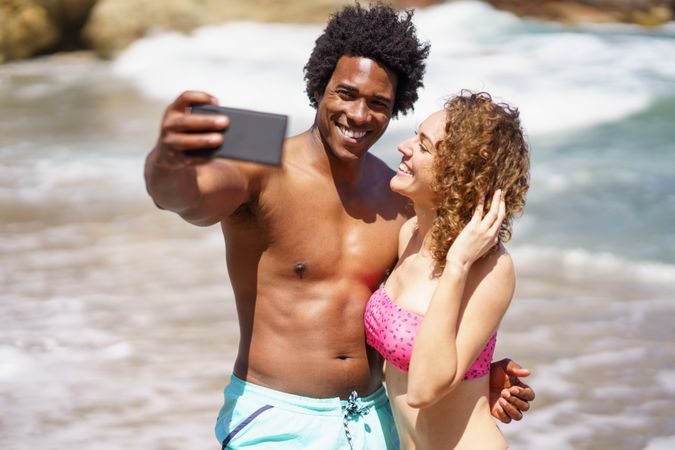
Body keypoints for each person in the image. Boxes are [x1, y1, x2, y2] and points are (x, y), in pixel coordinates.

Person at [144, 4, 534, 449]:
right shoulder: (260, 152)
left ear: (395, 109)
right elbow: (185, 198)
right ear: (318, 86)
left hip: (376, 422)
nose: (359, 114)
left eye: (378, 104)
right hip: (279, 418)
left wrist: (474, 374)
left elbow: (427, 309)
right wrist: (166, 158)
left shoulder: (398, 195)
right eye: (345, 93)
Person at [364, 91, 530, 449]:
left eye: (423, 147)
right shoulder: (408, 235)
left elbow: (423, 390)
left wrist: (456, 265)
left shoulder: (490, 268)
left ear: (457, 177)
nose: (404, 147)